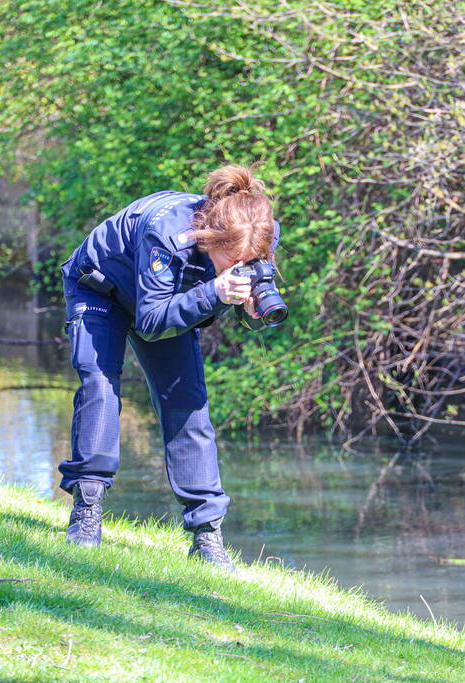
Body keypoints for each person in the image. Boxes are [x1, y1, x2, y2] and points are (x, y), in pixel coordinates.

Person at [56, 165, 280, 572]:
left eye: (247, 261)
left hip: (167, 298)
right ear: (211, 240)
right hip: (100, 286)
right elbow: (151, 323)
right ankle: (86, 511)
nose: (239, 266)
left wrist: (250, 304)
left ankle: (207, 537)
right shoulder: (169, 234)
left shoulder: (259, 231)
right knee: (100, 385)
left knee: (188, 405)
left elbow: (245, 298)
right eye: (231, 259)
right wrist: (214, 291)